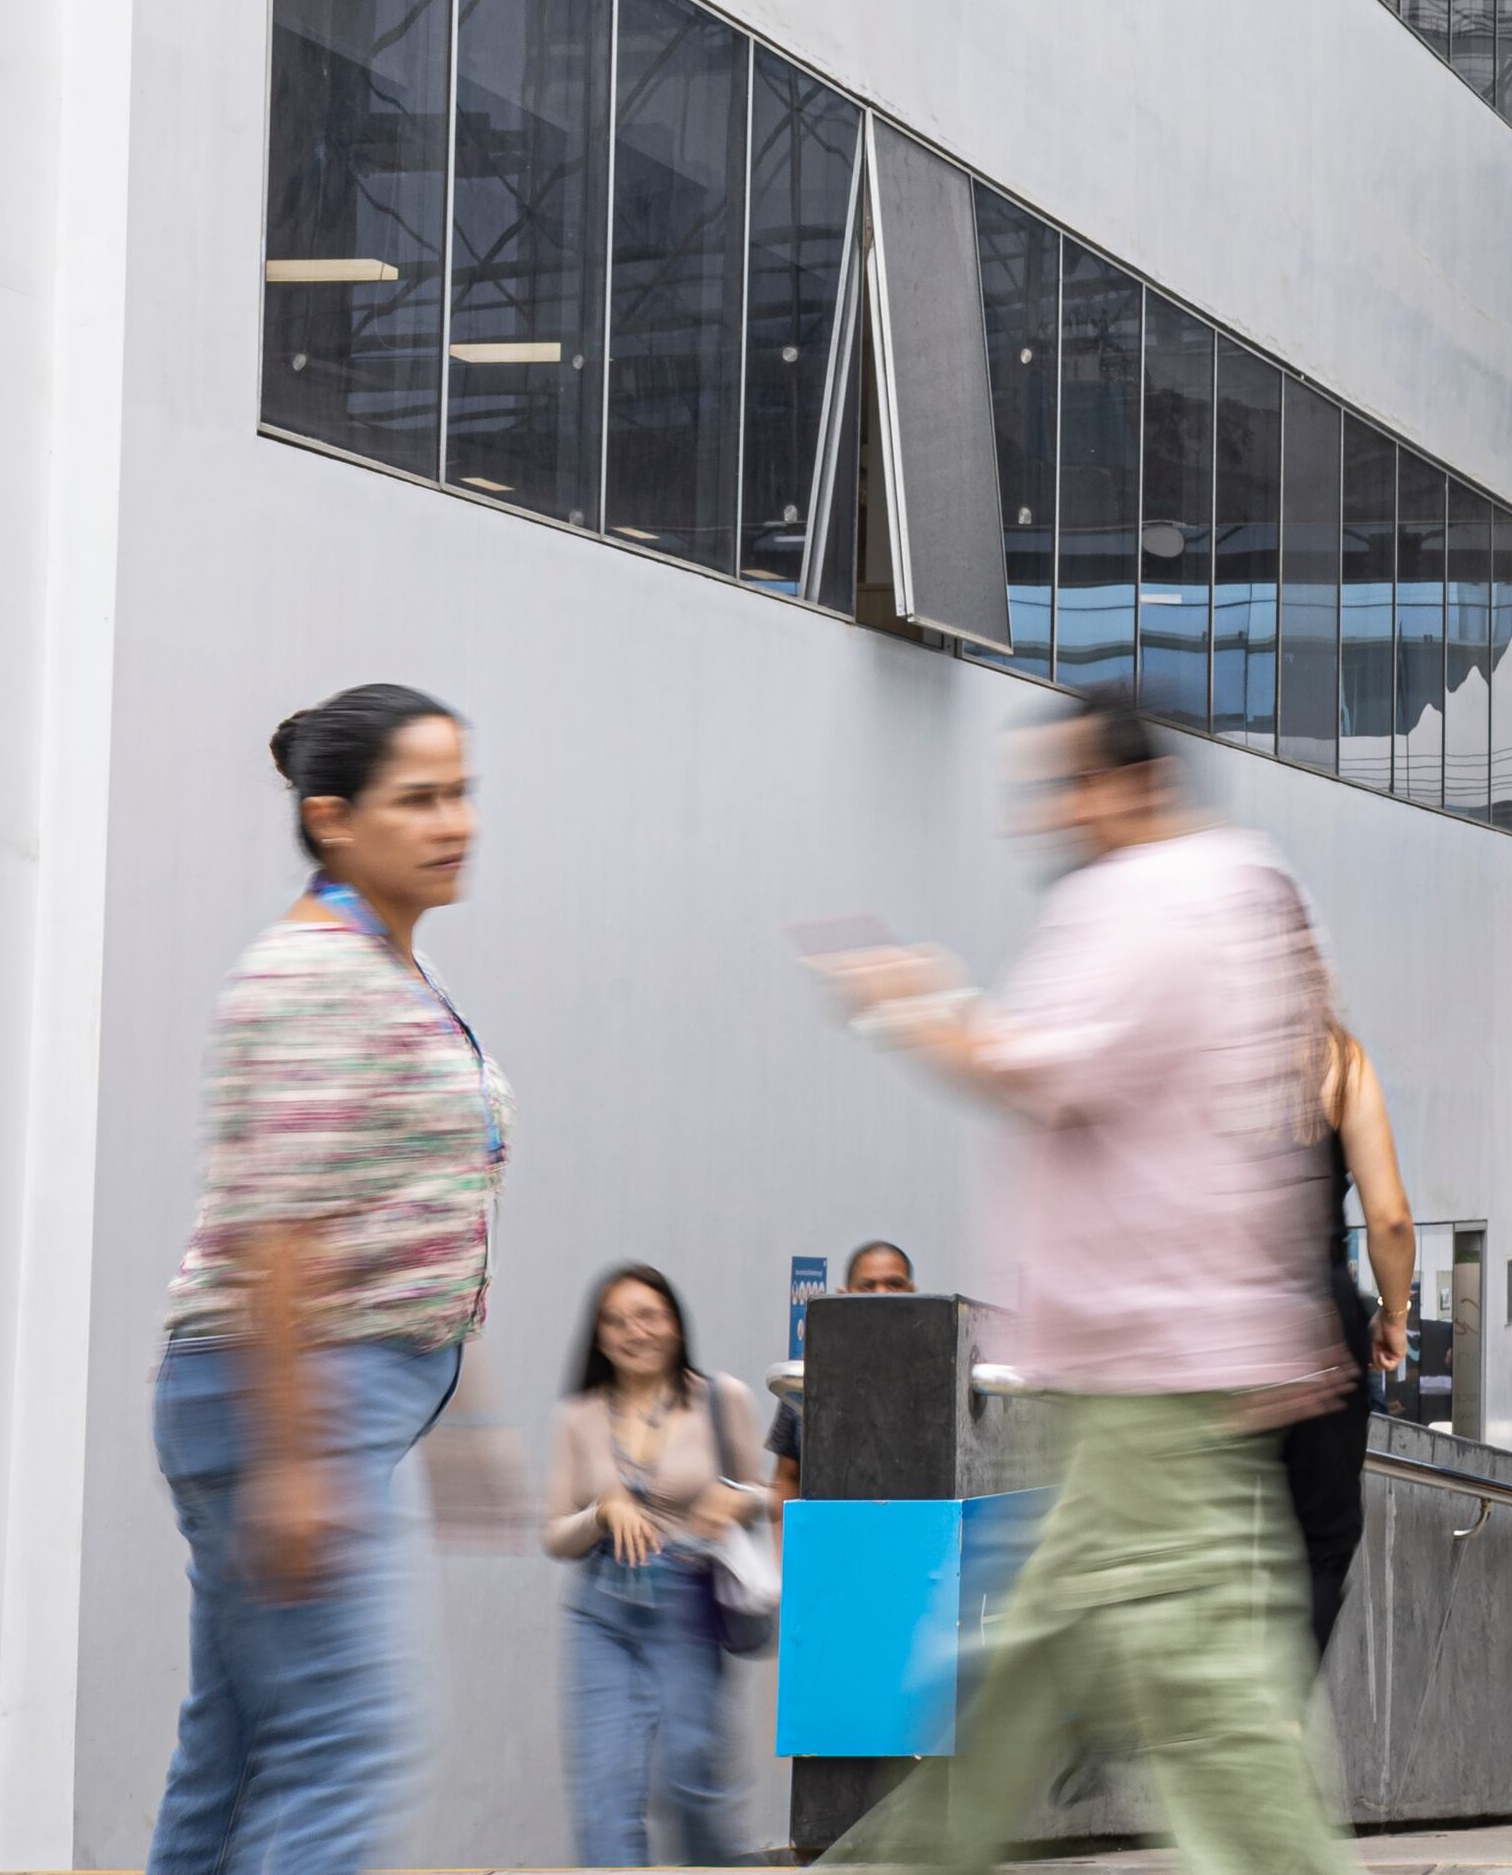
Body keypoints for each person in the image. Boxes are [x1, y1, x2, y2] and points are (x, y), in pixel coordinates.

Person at [808, 693, 1355, 1875]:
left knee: (1202, 1682)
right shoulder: (1253, 889)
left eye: (1063, 788)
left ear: (1128, 786)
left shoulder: (1147, 899)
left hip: (1148, 1362)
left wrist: (909, 998)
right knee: (1036, 1664)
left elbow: (1033, 1069)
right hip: (1196, 1350)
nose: (1046, 819)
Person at [148, 685, 508, 1875]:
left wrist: (459, 1416)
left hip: (323, 1389)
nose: (452, 821)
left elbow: (401, 1202)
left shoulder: (384, 965)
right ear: (332, 818)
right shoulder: (312, 973)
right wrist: (302, 1459)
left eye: (459, 792)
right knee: (347, 1744)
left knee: (241, 1748)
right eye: (418, 799)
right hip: (296, 1388)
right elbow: (281, 1228)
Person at [546, 1264, 769, 1865]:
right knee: (604, 1790)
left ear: (674, 1323)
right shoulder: (581, 1416)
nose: (633, 1332)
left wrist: (735, 1499)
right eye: (615, 1321)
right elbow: (553, 1534)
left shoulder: (720, 1400)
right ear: (598, 1337)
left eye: (648, 1316)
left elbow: (765, 1495)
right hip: (601, 1611)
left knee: (690, 1780)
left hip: (687, 1606)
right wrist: (601, 1513)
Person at [1281, 1015, 1419, 1663]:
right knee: (1324, 1537)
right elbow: (1389, 1218)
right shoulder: (1335, 1055)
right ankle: (1275, 1710)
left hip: (1212, 1317)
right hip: (1316, 1323)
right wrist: (1393, 1314)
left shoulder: (1192, 1043)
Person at [772, 1240, 920, 1501]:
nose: (881, 1295)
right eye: (867, 1286)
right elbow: (787, 1477)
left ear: (914, 1293)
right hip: (829, 1535)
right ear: (843, 1295)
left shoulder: (934, 1377)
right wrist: (782, 1540)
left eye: (894, 1284)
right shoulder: (809, 1378)